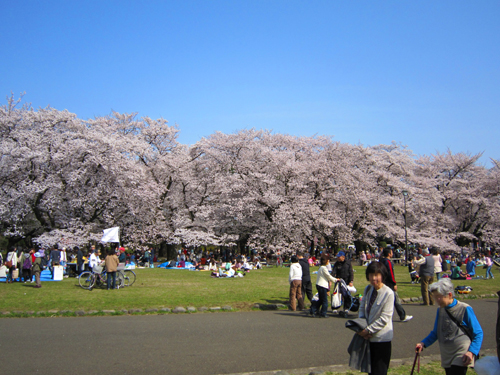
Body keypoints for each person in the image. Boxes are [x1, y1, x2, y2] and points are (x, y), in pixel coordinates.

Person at [415, 278, 483, 375]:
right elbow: (436, 332)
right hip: (446, 353)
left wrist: (472, 352)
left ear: (449, 295)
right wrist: (423, 343)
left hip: (461, 352)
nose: (436, 300)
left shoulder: (465, 308)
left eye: (439, 297)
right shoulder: (440, 310)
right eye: (434, 297)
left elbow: (478, 332)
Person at [357, 261, 395, 375]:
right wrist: (361, 326)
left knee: (379, 371)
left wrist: (367, 331)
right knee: (370, 371)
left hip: (381, 339)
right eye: (371, 275)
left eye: (377, 275)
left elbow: (384, 318)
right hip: (368, 339)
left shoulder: (388, 293)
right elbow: (362, 309)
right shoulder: (368, 289)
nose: (374, 278)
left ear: (382, 275)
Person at [379, 248, 413, 322]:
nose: (392, 254)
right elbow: (391, 273)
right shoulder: (388, 262)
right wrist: (394, 283)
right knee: (396, 299)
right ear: (389, 254)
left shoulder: (381, 261)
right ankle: (402, 315)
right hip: (389, 283)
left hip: (382, 282)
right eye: (391, 252)